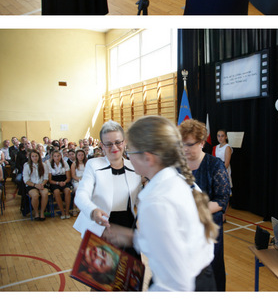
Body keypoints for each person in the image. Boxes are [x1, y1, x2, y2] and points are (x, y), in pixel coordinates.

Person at [103, 116, 218, 291]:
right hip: (203, 278)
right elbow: (177, 239)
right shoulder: (179, 181)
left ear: (147, 158)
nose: (128, 157)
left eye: (130, 151)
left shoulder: (156, 201)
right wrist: (134, 238)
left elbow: (176, 283)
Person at [73, 122, 143, 248]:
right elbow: (81, 195)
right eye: (108, 144)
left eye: (118, 142)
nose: (114, 147)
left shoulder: (134, 166)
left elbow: (139, 198)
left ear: (124, 142)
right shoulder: (93, 164)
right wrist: (93, 211)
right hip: (101, 225)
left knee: (130, 260)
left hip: (127, 225)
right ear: (102, 146)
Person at [180, 119, 230, 291]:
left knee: (211, 270)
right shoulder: (178, 166)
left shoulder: (214, 164)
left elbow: (222, 199)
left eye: (189, 144)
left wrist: (193, 210)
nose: (185, 149)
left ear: (202, 142)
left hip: (209, 230)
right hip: (184, 230)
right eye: (182, 144)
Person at [23, 149, 49, 220]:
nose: (35, 158)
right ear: (30, 157)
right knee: (35, 195)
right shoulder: (26, 165)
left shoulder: (44, 165)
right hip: (31, 185)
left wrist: (42, 184)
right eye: (33, 156)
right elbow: (26, 180)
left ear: (39, 157)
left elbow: (46, 178)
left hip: (41, 184)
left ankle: (42, 212)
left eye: (36, 156)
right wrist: (35, 185)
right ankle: (36, 212)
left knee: (45, 193)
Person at [47, 149, 73, 219]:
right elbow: (50, 180)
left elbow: (68, 177)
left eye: (58, 156)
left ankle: (67, 211)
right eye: (55, 156)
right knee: (56, 191)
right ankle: (62, 212)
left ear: (61, 156)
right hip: (54, 182)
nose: (57, 158)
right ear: (52, 157)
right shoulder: (49, 164)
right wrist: (58, 183)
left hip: (64, 180)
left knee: (67, 190)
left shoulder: (65, 163)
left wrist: (64, 182)